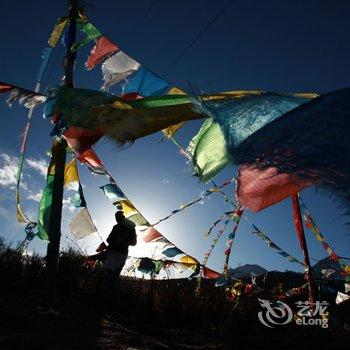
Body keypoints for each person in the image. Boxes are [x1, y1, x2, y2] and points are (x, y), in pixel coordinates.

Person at [103, 209, 137, 308]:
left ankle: (114, 303)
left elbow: (134, 242)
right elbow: (108, 239)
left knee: (112, 278)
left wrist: (123, 240)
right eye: (116, 218)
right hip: (111, 253)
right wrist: (114, 240)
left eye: (119, 217)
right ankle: (108, 302)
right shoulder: (115, 227)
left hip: (121, 254)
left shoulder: (130, 227)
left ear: (123, 217)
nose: (117, 219)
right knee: (109, 278)